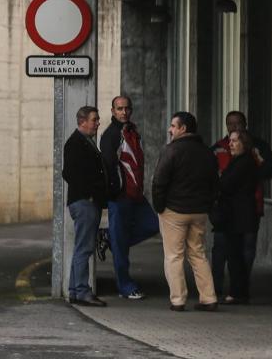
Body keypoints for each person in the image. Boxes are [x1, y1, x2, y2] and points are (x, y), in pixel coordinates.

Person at [152, 111, 220, 312]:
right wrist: (207, 205)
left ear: (183, 129)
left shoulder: (171, 150)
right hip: (199, 212)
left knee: (174, 255)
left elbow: (159, 181)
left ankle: (178, 300)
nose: (170, 130)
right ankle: (209, 297)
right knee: (198, 253)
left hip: (174, 210)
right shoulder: (207, 152)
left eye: (173, 126)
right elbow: (215, 183)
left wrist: (159, 207)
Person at [210, 111, 272, 298]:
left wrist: (258, 162)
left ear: (245, 124)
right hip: (226, 210)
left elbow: (270, 170)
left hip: (248, 207)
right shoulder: (219, 148)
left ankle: (240, 289)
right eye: (230, 124)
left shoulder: (255, 149)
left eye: (238, 123)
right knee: (222, 249)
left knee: (245, 250)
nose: (234, 127)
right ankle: (218, 288)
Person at [99, 94, 159, 300]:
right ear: (113, 111)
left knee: (152, 225)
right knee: (120, 246)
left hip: (136, 195)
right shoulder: (111, 135)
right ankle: (125, 286)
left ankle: (109, 237)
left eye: (127, 108)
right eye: (119, 109)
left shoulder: (132, 131)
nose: (124, 112)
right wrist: (114, 192)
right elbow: (108, 167)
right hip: (120, 197)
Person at [62, 105, 108, 307]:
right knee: (84, 248)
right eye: (94, 119)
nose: (97, 123)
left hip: (85, 202)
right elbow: (68, 173)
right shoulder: (76, 143)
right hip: (84, 203)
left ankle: (75, 291)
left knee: (82, 247)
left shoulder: (85, 141)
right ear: (82, 121)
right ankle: (82, 291)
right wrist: (89, 194)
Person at [214, 130, 259, 304]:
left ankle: (237, 292)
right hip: (238, 214)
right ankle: (238, 291)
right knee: (235, 254)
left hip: (238, 215)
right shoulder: (240, 161)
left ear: (244, 144)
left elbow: (226, 184)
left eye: (234, 141)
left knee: (235, 254)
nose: (230, 144)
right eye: (230, 141)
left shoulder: (244, 163)